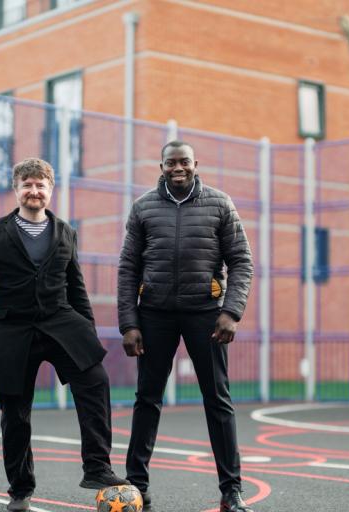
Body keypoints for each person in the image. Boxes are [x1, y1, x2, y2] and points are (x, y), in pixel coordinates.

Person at [0, 158, 127, 512]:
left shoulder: (67, 232)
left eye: (41, 185)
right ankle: (20, 488)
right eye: (28, 184)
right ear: (17, 189)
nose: (34, 191)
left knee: (95, 381)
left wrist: (87, 331)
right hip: (11, 328)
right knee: (15, 413)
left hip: (61, 322)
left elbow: (76, 286)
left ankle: (97, 468)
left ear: (51, 190)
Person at [118, 141, 255, 512]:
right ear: (160, 166)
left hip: (206, 315)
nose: (178, 168)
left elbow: (241, 260)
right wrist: (129, 323)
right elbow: (128, 268)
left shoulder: (219, 203)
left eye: (184, 162)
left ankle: (232, 492)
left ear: (196, 164)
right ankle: (136, 487)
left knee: (218, 401)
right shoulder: (143, 206)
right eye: (170, 163)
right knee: (147, 399)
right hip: (155, 315)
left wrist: (231, 312)